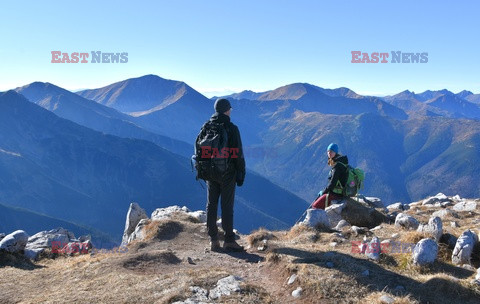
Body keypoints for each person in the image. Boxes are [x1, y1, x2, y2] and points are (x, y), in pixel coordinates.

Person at [198, 98, 246, 252]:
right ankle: (229, 240)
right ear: (227, 110)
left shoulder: (206, 126)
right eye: (230, 109)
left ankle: (213, 240)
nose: (230, 111)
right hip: (227, 173)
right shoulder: (231, 128)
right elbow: (237, 154)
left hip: (210, 172)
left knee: (211, 204)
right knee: (227, 206)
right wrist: (241, 174)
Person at [312, 143, 348, 209]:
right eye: (328, 151)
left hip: (336, 194)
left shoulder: (337, 166)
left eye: (331, 151)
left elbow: (332, 183)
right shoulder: (342, 163)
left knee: (315, 206)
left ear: (335, 152)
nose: (329, 153)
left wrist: (323, 192)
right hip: (341, 193)